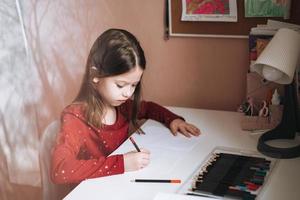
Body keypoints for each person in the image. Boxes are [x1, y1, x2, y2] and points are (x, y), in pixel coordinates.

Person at [51, 28, 200, 184]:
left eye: (134, 85)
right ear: (95, 76)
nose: (128, 93)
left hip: (120, 185)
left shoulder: (122, 106)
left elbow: (149, 108)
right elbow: (60, 170)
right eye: (121, 85)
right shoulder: (75, 118)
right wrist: (122, 163)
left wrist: (173, 120)